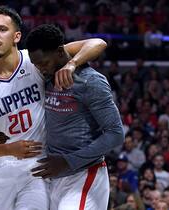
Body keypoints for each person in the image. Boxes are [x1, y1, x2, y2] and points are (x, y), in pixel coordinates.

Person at [0, 6, 108, 210]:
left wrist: (71, 64)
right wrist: (7, 148)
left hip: (37, 168)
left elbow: (97, 43)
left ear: (16, 36)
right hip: (2, 169)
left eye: (2, 29)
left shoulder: (35, 62)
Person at [26, 24, 124, 210]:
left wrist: (68, 161)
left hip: (84, 174)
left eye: (44, 63)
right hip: (54, 176)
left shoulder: (90, 81)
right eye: (36, 65)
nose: (41, 69)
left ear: (60, 52)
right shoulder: (48, 75)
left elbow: (115, 134)